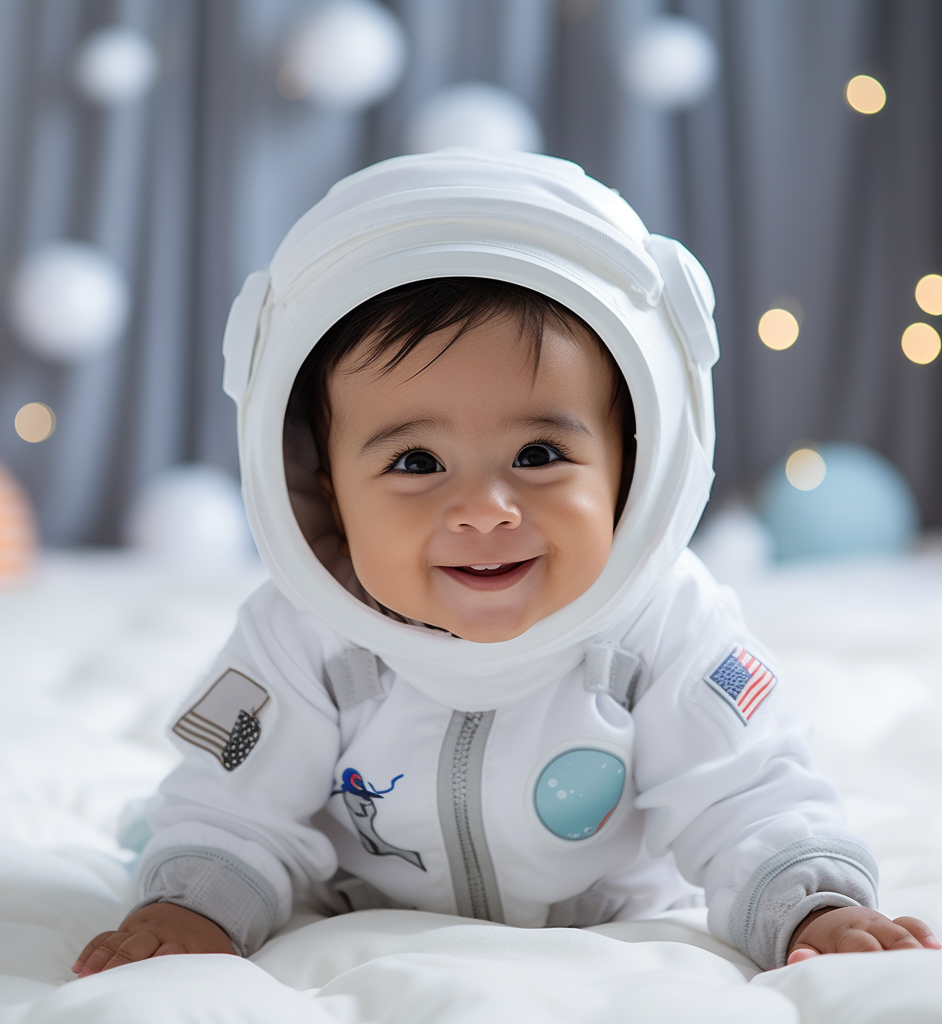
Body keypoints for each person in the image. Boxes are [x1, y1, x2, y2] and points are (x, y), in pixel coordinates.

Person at [74, 151, 938, 978]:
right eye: (415, 463)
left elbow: (745, 792)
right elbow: (233, 805)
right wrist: (195, 907)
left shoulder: (665, 622)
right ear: (323, 487)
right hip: (366, 913)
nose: (485, 508)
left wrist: (810, 905)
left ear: (633, 463)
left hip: (608, 925)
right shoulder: (301, 635)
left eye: (537, 453)